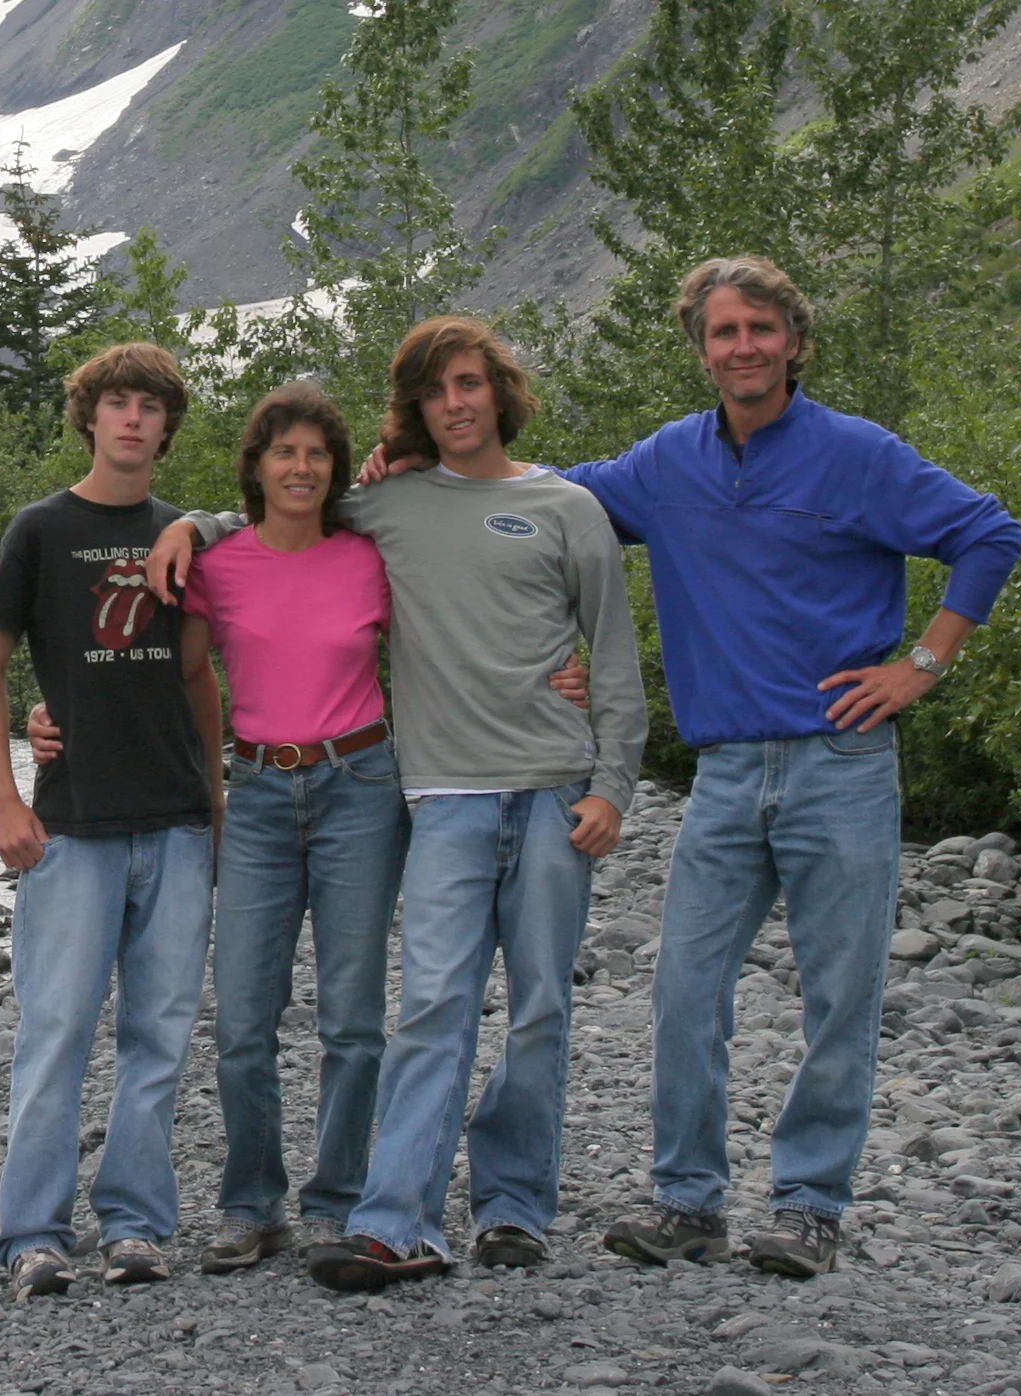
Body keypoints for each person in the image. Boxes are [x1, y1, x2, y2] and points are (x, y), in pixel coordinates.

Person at [362, 257, 1021, 1277]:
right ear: (701, 349)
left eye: (760, 327)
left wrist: (919, 667)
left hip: (837, 762)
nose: (742, 346)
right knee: (683, 989)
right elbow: (541, 508)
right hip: (722, 770)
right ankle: (688, 1199)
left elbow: (987, 533)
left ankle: (808, 1202)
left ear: (794, 341)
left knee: (838, 992)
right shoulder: (671, 463)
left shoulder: (858, 455)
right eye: (722, 332)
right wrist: (418, 474)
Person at [147, 317, 648, 1291]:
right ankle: (397, 1219)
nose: (454, 404)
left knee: (540, 1008)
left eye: (468, 384)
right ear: (415, 409)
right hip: (440, 799)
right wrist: (191, 525)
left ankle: (513, 1206)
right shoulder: (387, 506)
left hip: (552, 790)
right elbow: (282, 518)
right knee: (430, 1008)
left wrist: (613, 790)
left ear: (498, 390)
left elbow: (615, 657)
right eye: (433, 392)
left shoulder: (568, 508)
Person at [34, 383, 409, 1272]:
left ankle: (337, 1200)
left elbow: (453, 627)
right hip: (258, 796)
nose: (302, 467)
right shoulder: (218, 562)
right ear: (257, 465)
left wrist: (555, 677)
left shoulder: (371, 553)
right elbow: (163, 669)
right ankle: (252, 1204)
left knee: (352, 1019)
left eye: (318, 452)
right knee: (244, 1018)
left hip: (361, 785)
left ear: (334, 467)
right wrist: (49, 720)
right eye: (284, 451)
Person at [0, 342, 225, 1300]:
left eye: (149, 407)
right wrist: (4, 798)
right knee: (56, 1031)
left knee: (159, 1037)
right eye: (116, 403)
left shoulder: (183, 534)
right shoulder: (40, 529)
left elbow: (198, 673)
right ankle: (32, 1233)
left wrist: (217, 803)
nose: (131, 419)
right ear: (90, 417)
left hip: (174, 823)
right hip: (72, 827)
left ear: (167, 424)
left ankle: (136, 1226)